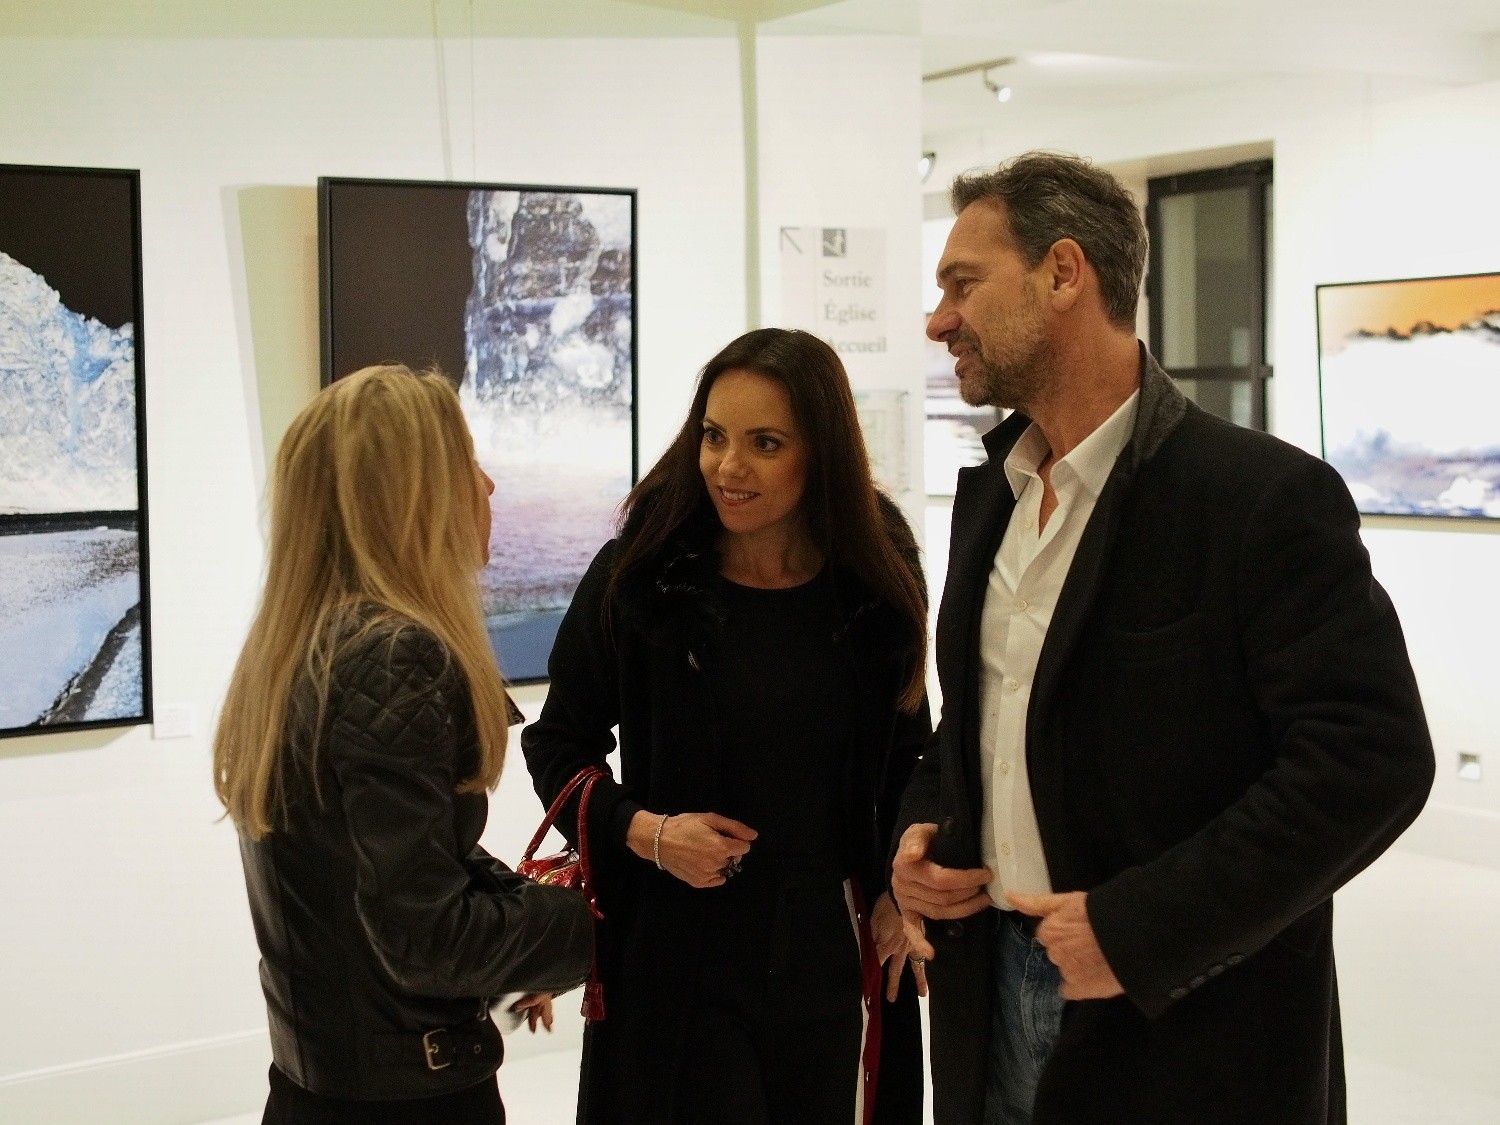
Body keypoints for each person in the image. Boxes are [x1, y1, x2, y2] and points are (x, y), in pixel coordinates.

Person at [890, 152, 1435, 1125]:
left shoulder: (1258, 499)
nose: (939, 321)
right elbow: (986, 719)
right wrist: (921, 830)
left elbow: (1370, 761)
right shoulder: (995, 496)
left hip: (1182, 1021)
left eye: (962, 284)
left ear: (1064, 274)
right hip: (987, 999)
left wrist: (1136, 930)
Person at [522, 328, 931, 1125]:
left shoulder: (876, 575)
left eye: (764, 443)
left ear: (821, 453)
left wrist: (896, 887)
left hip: (831, 937)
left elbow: (911, 754)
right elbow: (558, 741)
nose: (727, 466)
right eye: (714, 436)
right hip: (676, 943)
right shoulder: (641, 572)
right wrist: (646, 831)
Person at [213, 365, 594, 1125]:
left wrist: (535, 912)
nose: (488, 485)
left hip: (319, 1089)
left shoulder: (300, 649)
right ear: (414, 495)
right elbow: (428, 936)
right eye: (467, 463)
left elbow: (392, 870)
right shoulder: (395, 657)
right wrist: (609, 922)